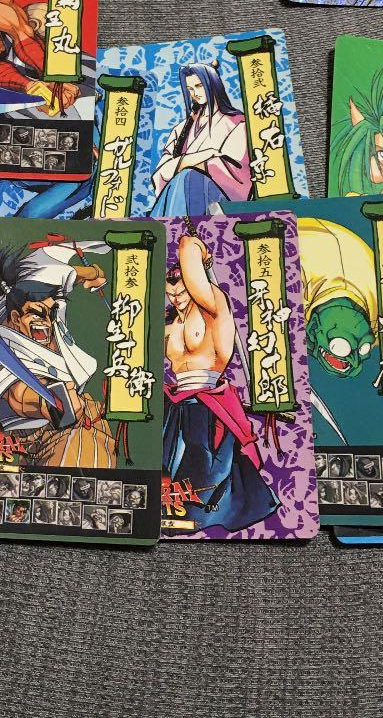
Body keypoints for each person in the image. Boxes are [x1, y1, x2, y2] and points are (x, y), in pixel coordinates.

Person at [0, 238, 115, 468]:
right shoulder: (1, 350)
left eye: (51, 313)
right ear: (15, 317)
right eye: (37, 314)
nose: (47, 322)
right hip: (42, 432)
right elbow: (18, 394)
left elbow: (61, 278)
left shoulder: (49, 318)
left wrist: (91, 273)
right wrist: (49, 402)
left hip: (79, 423)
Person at [162, 232, 277, 532]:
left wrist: (200, 251)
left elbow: (187, 246)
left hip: (207, 404)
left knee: (205, 471)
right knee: (165, 469)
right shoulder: (171, 322)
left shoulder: (214, 307)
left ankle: (203, 516)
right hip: (174, 404)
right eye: (171, 293)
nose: (177, 298)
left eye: (182, 291)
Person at [150, 64, 250, 214]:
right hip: (179, 191)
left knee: (188, 177)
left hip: (218, 199)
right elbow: (162, 171)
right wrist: (203, 155)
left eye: (199, 86)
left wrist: (184, 165)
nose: (195, 93)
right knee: (185, 178)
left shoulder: (237, 123)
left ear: (212, 84)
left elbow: (236, 168)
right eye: (190, 89)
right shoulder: (181, 129)